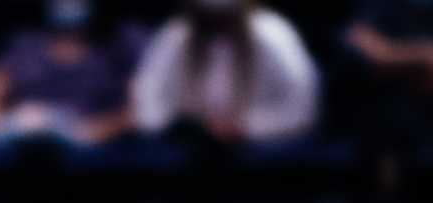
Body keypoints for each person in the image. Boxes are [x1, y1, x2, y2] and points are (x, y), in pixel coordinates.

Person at [131, 0, 320, 146]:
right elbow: (148, 95)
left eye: (223, 19)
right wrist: (179, 126)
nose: (217, 29)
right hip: (190, 146)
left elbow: (303, 104)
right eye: (209, 20)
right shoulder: (178, 35)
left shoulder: (271, 33)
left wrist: (247, 126)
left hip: (261, 145)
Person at [0, 0, 150, 145]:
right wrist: (0, 130)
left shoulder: (117, 48)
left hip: (85, 146)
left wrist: (87, 134)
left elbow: (134, 113)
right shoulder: (24, 45)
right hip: (18, 138)